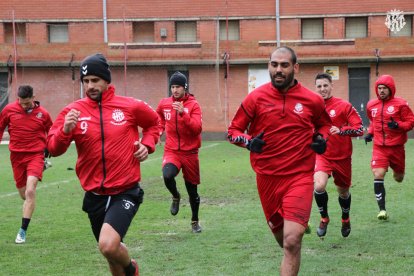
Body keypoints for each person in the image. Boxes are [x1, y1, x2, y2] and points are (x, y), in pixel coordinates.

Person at [47, 53, 160, 276]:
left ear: (107, 80)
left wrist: (147, 144)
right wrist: (65, 131)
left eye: (95, 80)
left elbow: (155, 123)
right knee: (110, 255)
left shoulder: (130, 106)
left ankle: (133, 269)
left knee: (108, 245)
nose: (90, 86)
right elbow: (53, 148)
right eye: (86, 81)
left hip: (125, 191)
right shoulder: (72, 112)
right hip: (94, 195)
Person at [227, 46, 332, 275]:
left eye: (284, 65)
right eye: (274, 65)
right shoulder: (255, 98)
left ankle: (298, 226)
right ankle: (296, 227)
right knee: (283, 240)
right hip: (267, 179)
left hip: (300, 177)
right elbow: (233, 130)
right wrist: (248, 142)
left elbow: (324, 124)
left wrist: (321, 138)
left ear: (295, 67)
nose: (278, 70)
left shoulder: (312, 100)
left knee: (292, 241)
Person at [313, 73, 364, 238]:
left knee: (343, 192)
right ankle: (324, 218)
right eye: (319, 86)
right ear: (316, 88)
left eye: (325, 85)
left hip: (342, 157)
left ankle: (345, 218)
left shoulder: (344, 105)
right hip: (323, 156)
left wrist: (341, 131)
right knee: (319, 186)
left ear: (331, 86)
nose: (322, 89)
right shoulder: (312, 107)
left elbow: (359, 128)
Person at [0, 85, 53, 244]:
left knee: (30, 191)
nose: (24, 106)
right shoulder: (9, 110)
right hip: (16, 156)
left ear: (33, 97)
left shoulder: (43, 114)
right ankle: (41, 168)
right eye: (21, 103)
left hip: (35, 155)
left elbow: (51, 131)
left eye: (27, 103)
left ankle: (22, 231)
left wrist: (49, 145)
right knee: (24, 194)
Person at [156, 71, 203, 233]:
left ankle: (195, 221)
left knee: (193, 192)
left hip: (190, 153)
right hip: (172, 151)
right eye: (173, 87)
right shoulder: (164, 103)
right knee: (167, 175)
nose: (175, 90)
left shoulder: (193, 105)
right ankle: (175, 196)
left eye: (178, 87)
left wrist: (184, 113)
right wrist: (159, 130)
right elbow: (158, 117)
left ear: (185, 88)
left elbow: (197, 129)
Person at [365, 74, 414, 220]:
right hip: (379, 147)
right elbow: (373, 121)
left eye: (384, 88)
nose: (381, 91)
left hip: (397, 148)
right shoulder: (371, 105)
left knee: (399, 178)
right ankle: (382, 210)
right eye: (379, 88)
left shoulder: (401, 104)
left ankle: (397, 172)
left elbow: (411, 122)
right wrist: (370, 133)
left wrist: (398, 125)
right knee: (378, 174)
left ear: (390, 89)